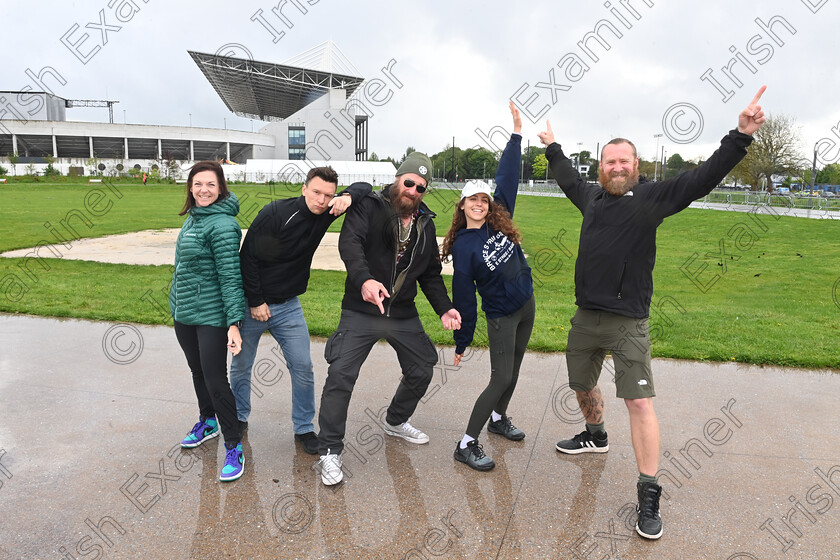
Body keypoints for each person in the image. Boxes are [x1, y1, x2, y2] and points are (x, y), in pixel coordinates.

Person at [538, 86, 767, 539]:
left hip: (628, 323)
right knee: (581, 384)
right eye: (609, 161)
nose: (617, 167)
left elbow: (703, 177)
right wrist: (552, 147)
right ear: (601, 167)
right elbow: (565, 177)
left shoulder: (653, 199)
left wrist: (740, 136)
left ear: (636, 166)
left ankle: (648, 493)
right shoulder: (590, 198)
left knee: (639, 402)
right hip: (586, 317)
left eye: (624, 161)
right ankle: (595, 434)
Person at [316, 152, 463, 486]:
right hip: (361, 308)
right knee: (341, 374)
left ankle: (396, 420)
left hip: (402, 312)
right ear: (398, 179)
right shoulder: (369, 205)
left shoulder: (425, 222)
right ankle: (329, 451)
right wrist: (365, 280)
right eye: (408, 182)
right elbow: (349, 245)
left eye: (420, 187)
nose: (412, 190)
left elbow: (430, 274)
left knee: (424, 364)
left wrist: (445, 308)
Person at [230, 167, 371, 455]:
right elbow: (248, 259)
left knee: (303, 367)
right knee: (242, 366)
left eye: (328, 195)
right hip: (252, 303)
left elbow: (365, 185)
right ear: (304, 188)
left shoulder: (327, 211)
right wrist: (256, 301)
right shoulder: (276, 213)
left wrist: (347, 196)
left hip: (289, 305)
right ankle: (239, 417)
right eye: (316, 192)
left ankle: (304, 427)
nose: (321, 200)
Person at [441, 102, 535, 472]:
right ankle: (466, 443)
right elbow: (464, 297)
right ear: (462, 205)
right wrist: (462, 340)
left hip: (526, 305)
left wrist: (515, 135)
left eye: (484, 199)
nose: (480, 204)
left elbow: (508, 176)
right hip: (500, 316)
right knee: (501, 377)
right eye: (473, 200)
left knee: (514, 369)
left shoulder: (501, 221)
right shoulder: (464, 246)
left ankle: (499, 418)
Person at [170, 160, 247, 482]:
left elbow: (230, 277)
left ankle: (233, 445)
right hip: (185, 313)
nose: (204, 190)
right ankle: (208, 421)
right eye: (198, 184)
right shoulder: (193, 218)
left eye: (211, 185)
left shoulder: (224, 225)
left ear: (221, 188)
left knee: (216, 379)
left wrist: (233, 323)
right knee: (198, 371)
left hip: (212, 315)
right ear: (190, 186)